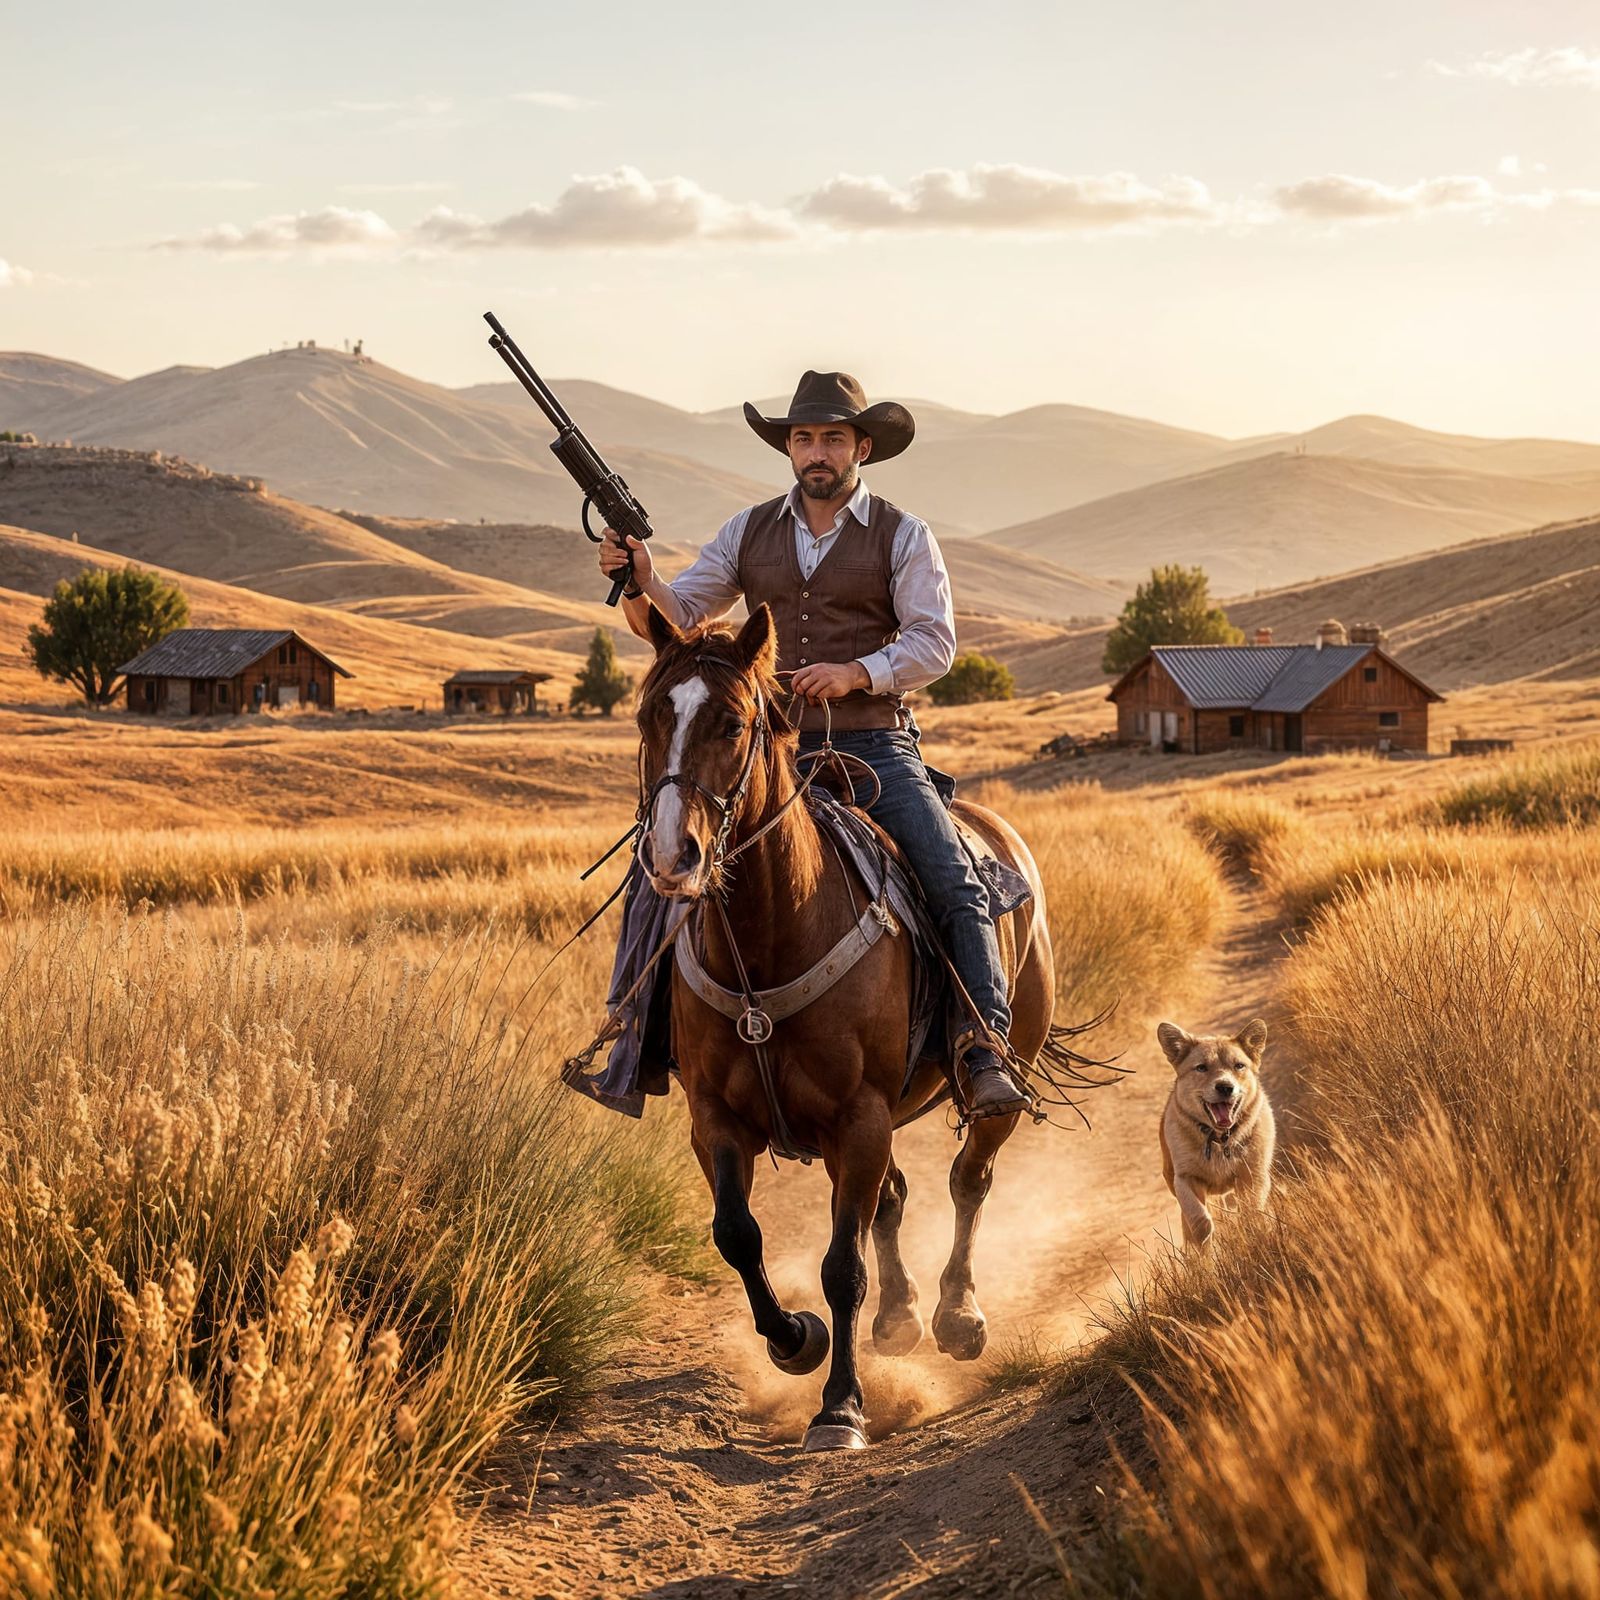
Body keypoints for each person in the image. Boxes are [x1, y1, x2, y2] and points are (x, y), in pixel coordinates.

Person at [597, 370, 1030, 1119]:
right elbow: (679, 617)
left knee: (954, 880)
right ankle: (634, 1044)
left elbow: (936, 644)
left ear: (862, 447)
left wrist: (859, 671)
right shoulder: (748, 530)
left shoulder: (903, 535)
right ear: (789, 450)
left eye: (833, 438)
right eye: (803, 438)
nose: (816, 452)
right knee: (656, 872)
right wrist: (638, 582)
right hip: (768, 759)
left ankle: (983, 1046)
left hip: (874, 746)